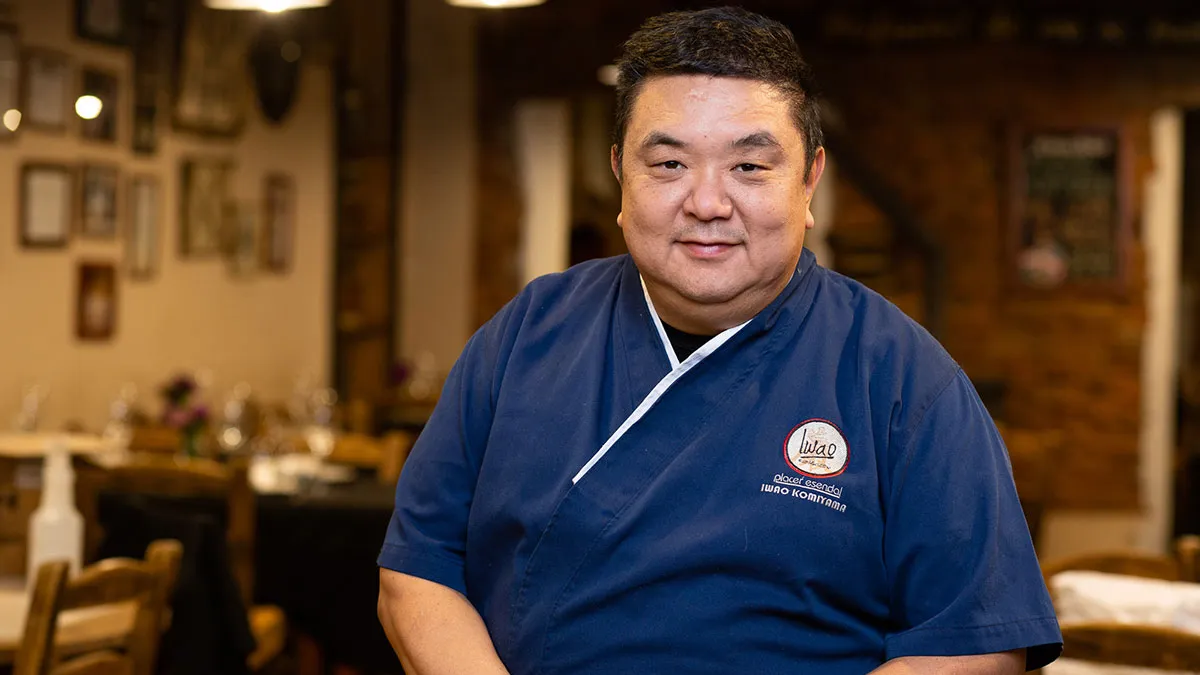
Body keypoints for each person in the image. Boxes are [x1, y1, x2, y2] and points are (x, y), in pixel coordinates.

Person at [377, 7, 1062, 674]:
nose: (707, 203)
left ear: (809, 179)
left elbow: (979, 641)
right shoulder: (528, 331)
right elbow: (417, 570)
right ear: (620, 174)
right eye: (669, 164)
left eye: (750, 167)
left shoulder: (904, 378)